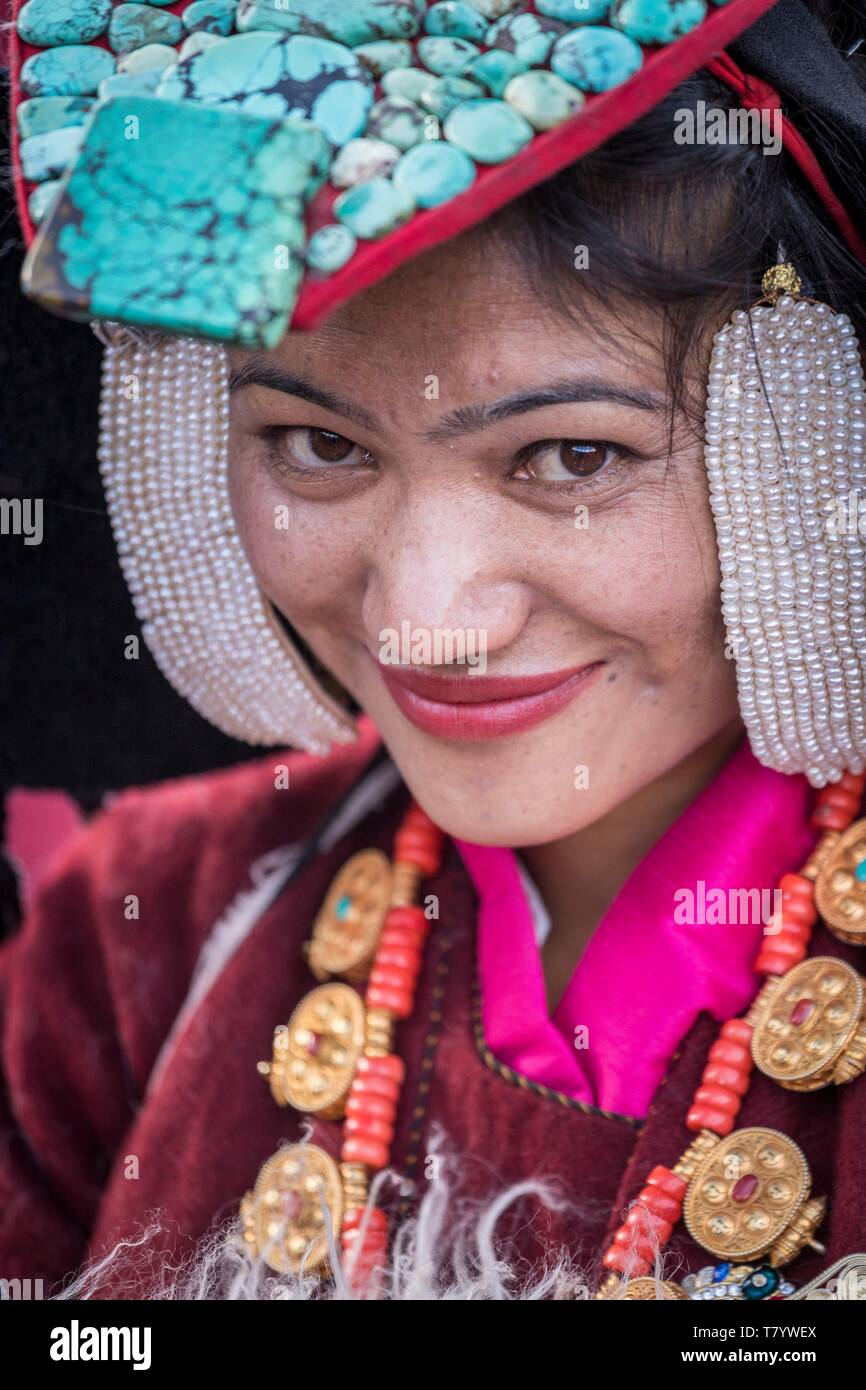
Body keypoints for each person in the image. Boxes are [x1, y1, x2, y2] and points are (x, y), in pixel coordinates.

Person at [3, 0, 866, 1301]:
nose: (424, 614)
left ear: (810, 431)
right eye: (320, 444)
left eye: (572, 455)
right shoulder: (138, 933)